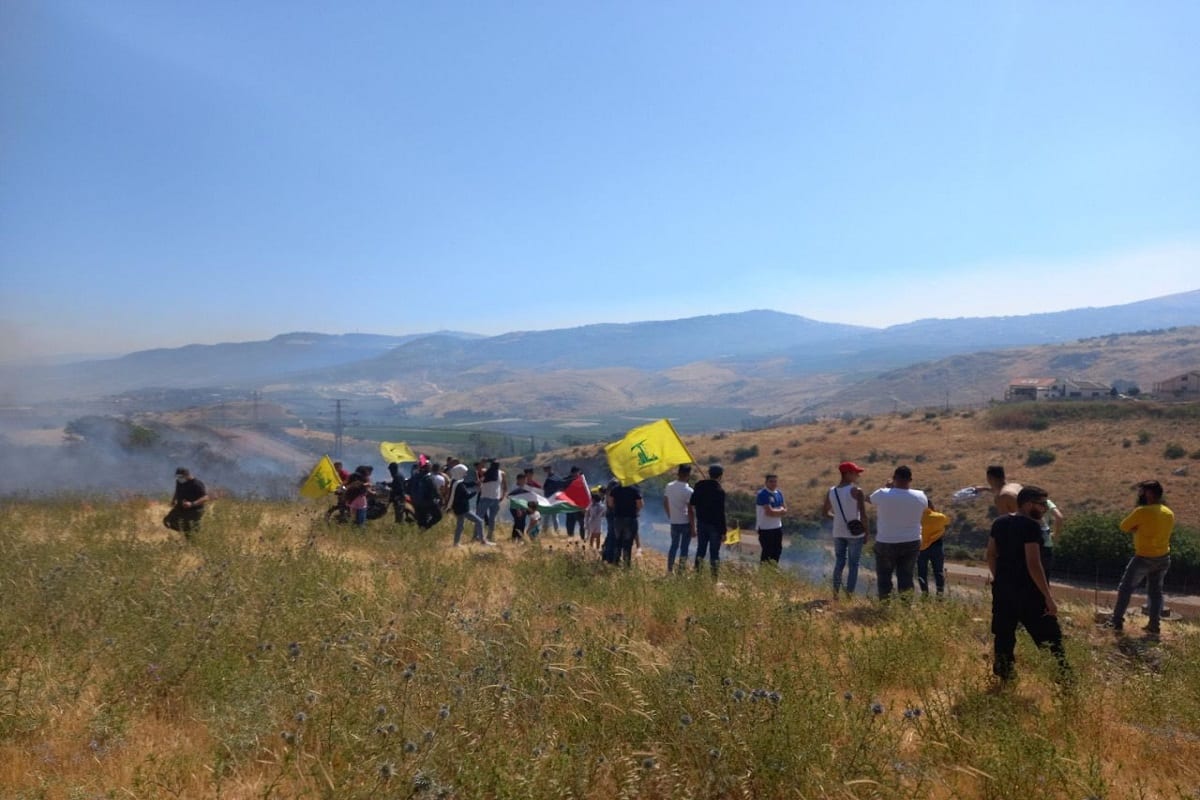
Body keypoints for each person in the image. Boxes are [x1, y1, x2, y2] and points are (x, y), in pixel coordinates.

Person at [986, 485, 1068, 681]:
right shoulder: (1031, 527)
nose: (1045, 509)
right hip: (1029, 593)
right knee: (1051, 640)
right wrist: (1048, 597)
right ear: (1028, 503)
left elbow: (990, 554)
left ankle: (1006, 678)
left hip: (1003, 591)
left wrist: (1001, 579)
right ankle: (1064, 680)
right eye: (1041, 505)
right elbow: (1033, 564)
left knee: (1004, 637)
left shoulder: (999, 522)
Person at [1109, 480, 1175, 636]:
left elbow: (1124, 526)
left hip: (1144, 557)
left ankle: (1116, 622)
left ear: (1149, 494)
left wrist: (1137, 528)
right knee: (1155, 592)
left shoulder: (1142, 512)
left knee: (1125, 589)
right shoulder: (1168, 512)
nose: (1140, 495)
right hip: (1163, 557)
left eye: (1143, 492)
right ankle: (1154, 625)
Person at [868, 466, 927, 599]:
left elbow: (869, 499)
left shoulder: (883, 493)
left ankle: (884, 604)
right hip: (911, 541)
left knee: (884, 576)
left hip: (886, 541)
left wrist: (889, 489)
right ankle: (905, 607)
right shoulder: (921, 496)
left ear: (894, 478)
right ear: (910, 480)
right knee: (906, 576)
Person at [822, 461, 868, 596]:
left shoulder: (831, 491)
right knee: (853, 565)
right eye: (855, 473)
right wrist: (866, 532)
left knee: (839, 562)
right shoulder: (856, 491)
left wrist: (837, 519)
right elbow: (863, 515)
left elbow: (825, 513)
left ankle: (835, 593)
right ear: (847, 474)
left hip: (838, 531)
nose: (857, 476)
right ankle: (849, 595)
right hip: (855, 533)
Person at [690, 464, 727, 577]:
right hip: (715, 526)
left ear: (709, 473)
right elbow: (721, 513)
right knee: (714, 553)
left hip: (701, 523)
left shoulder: (699, 485)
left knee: (701, 550)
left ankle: (697, 576)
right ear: (720, 476)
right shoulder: (720, 491)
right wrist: (724, 532)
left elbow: (693, 502)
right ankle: (714, 579)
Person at [447, 464, 491, 546]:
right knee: (479, 521)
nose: (465, 474)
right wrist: (477, 491)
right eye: (464, 472)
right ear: (460, 472)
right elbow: (467, 496)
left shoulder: (456, 482)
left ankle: (456, 543)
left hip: (458, 508)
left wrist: (475, 483)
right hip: (463, 509)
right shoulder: (459, 485)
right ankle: (483, 541)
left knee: (460, 526)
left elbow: (466, 484)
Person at [663, 464, 695, 573]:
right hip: (685, 522)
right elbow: (690, 511)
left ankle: (669, 570)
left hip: (674, 521)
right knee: (684, 548)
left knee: (673, 546)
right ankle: (680, 572)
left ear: (678, 473)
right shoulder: (689, 491)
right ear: (688, 475)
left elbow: (665, 503)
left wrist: (670, 515)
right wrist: (693, 527)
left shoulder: (669, 486)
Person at [918, 494, 950, 596]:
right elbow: (947, 522)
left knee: (922, 572)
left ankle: (925, 595)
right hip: (937, 546)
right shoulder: (940, 517)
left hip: (921, 547)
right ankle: (939, 595)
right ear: (931, 505)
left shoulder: (917, 518)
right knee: (938, 572)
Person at [607, 481, 643, 566]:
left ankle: (615, 563)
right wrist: (636, 511)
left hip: (618, 519)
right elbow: (640, 504)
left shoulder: (615, 489)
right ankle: (626, 565)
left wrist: (617, 508)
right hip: (630, 519)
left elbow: (610, 503)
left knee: (618, 541)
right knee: (627, 543)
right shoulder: (634, 490)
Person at [164, 467, 208, 536]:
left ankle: (195, 535)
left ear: (187, 475)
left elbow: (205, 497)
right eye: (177, 477)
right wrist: (174, 500)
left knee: (189, 528)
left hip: (195, 509)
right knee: (167, 521)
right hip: (181, 507)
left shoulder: (196, 484)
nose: (179, 478)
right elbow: (177, 491)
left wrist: (192, 504)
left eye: (180, 477)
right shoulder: (179, 482)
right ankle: (190, 531)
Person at [756, 474, 787, 563]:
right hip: (765, 529)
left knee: (777, 552)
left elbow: (785, 509)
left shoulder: (779, 493)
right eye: (771, 481)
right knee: (767, 554)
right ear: (766, 483)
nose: (773, 483)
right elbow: (769, 512)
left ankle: (772, 572)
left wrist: (778, 511)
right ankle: (763, 574)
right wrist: (780, 511)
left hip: (777, 527)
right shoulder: (762, 494)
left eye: (775, 481)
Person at [477, 460, 507, 543]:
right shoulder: (501, 473)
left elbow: (479, 468)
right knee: (491, 518)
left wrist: (485, 461)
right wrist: (503, 495)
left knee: (479, 517)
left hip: (486, 498)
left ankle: (479, 536)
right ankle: (489, 536)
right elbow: (504, 486)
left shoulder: (486, 472)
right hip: (495, 498)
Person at [563, 466, 586, 540]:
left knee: (582, 523)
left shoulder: (581, 481)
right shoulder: (567, 480)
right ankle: (570, 538)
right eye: (577, 473)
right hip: (570, 505)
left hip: (578, 505)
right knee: (571, 522)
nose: (578, 474)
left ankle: (582, 538)